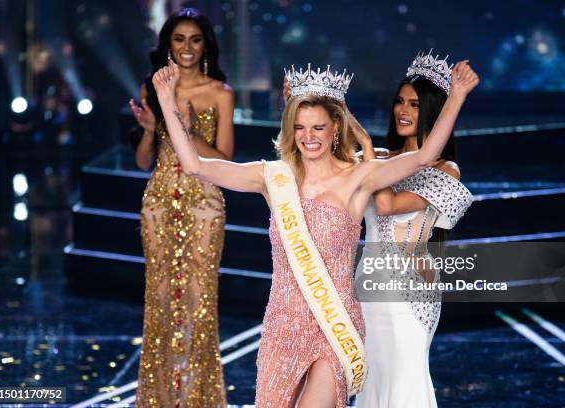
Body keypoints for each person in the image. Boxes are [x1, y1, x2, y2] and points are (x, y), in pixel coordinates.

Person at [151, 58, 478, 407]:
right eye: (301, 127)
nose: (309, 137)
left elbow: (427, 154)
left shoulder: (358, 179)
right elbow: (195, 165)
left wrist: (457, 95)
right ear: (291, 130)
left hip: (334, 326)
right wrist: (166, 99)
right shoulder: (273, 178)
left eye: (318, 128)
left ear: (335, 129)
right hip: (283, 324)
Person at [128, 7, 234, 407]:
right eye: (179, 39)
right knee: (158, 299)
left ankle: (199, 398)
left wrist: (188, 132)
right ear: (167, 45)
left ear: (205, 44)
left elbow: (225, 159)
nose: (187, 47)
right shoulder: (153, 88)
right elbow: (144, 160)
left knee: (200, 300)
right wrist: (154, 130)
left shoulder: (221, 93)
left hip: (204, 205)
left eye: (195, 39)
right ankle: (158, 399)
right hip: (158, 202)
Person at [355, 51, 474, 408]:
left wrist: (367, 156)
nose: (403, 111)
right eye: (400, 102)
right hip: (368, 283)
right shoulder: (377, 157)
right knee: (371, 377)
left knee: (406, 378)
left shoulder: (445, 169)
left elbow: (388, 205)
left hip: (410, 289)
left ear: (434, 112)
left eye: (415, 105)